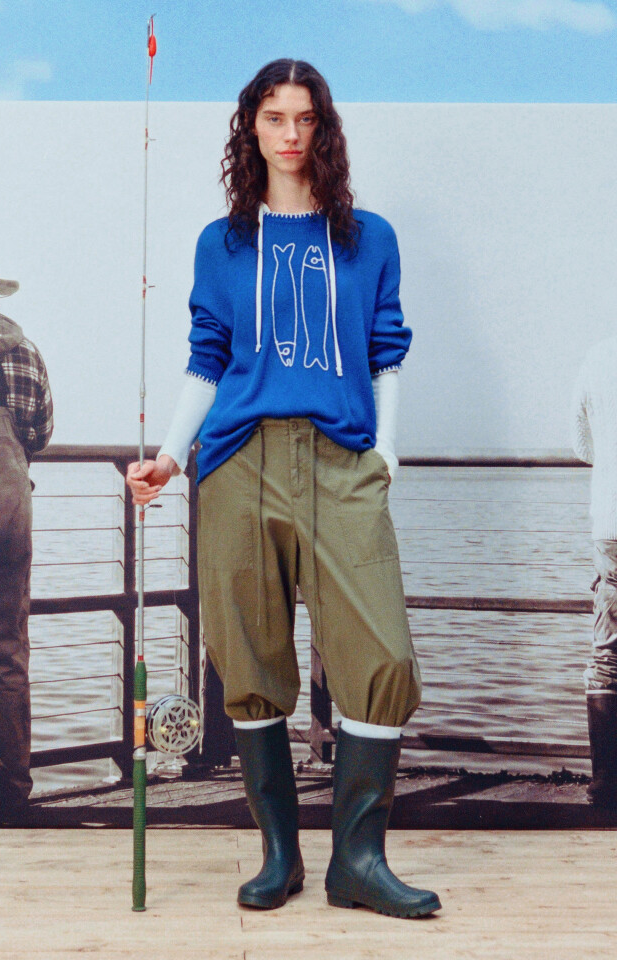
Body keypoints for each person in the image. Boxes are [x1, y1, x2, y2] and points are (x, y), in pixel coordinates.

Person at [127, 59, 441, 917]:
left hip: (342, 460)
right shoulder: (221, 243)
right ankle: (279, 856)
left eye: (305, 118)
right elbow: (207, 359)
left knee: (381, 655)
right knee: (251, 658)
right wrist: (170, 458)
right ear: (252, 129)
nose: (291, 134)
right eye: (274, 118)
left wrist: (386, 453)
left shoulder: (369, 237)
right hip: (239, 463)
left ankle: (359, 862)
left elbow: (386, 350)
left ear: (324, 128)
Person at [0, 253, 53, 824]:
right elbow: (40, 433)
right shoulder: (24, 353)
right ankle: (11, 788)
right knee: (4, 652)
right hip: (5, 514)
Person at [572, 335, 617, 809]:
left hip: (611, 525)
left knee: (607, 655)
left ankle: (606, 784)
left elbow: (582, 445)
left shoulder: (598, 355)